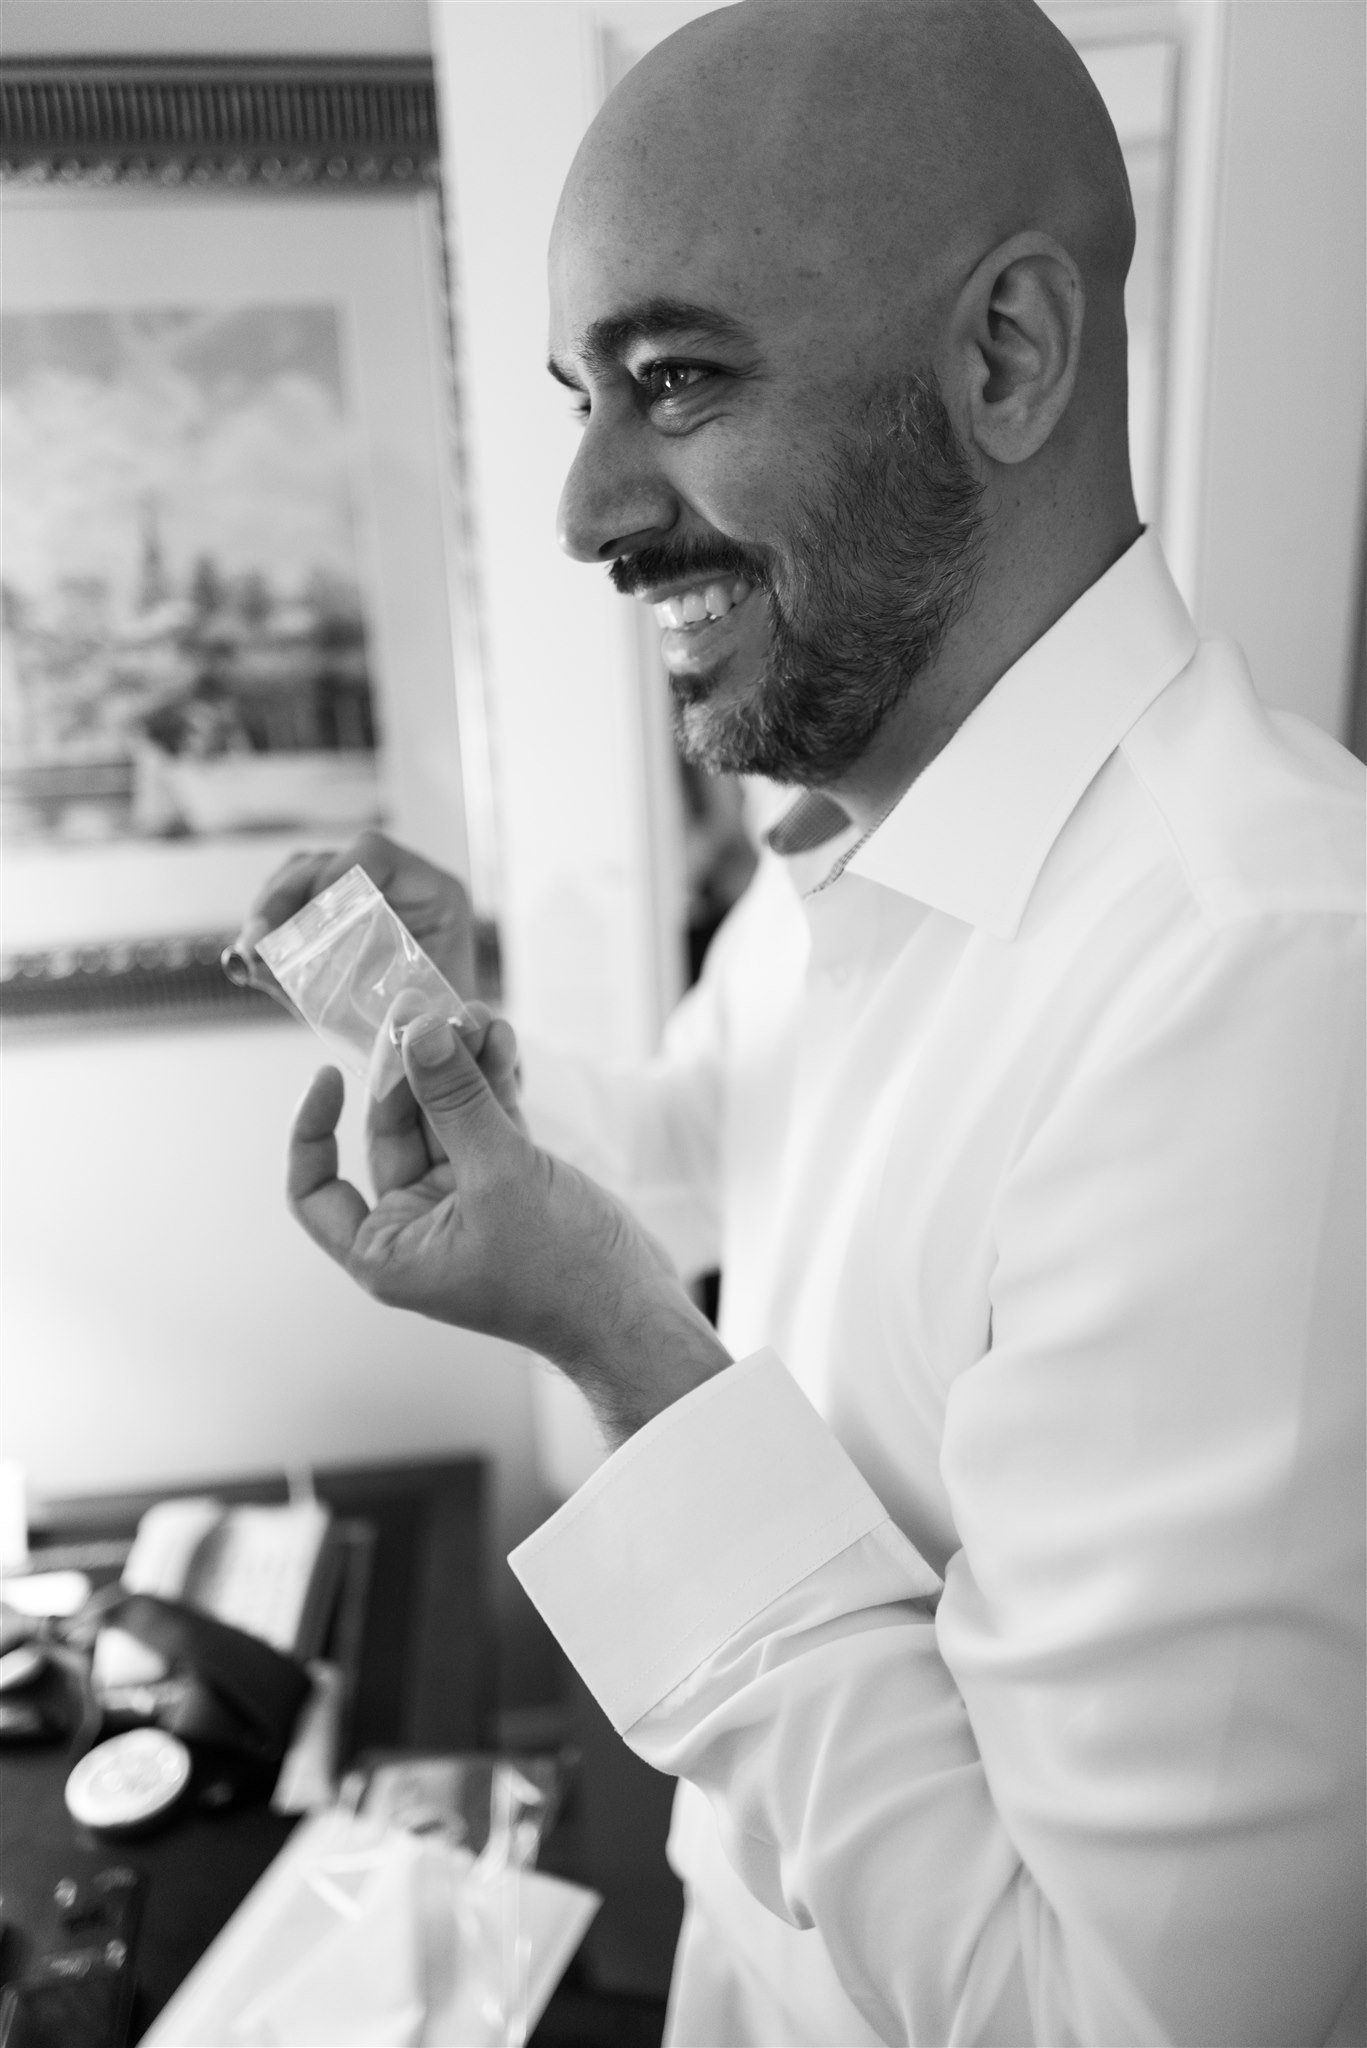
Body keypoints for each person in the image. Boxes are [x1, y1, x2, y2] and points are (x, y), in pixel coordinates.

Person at [234, 1, 1366, 2040]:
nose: (582, 509)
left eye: (673, 379)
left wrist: (617, 1341)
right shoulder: (853, 849)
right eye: (584, 394)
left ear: (1005, 357)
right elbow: (698, 1140)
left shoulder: (1270, 983)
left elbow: (1102, 2017)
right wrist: (439, 1043)